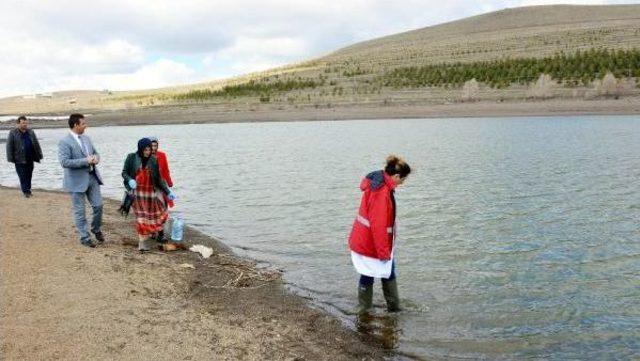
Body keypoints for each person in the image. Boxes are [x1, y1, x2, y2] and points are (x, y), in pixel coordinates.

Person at [348, 155, 411, 314]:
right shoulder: (381, 192)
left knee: (368, 273)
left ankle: (365, 311)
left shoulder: (378, 183)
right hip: (371, 242)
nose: (402, 183)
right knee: (386, 272)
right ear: (396, 176)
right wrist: (384, 252)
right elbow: (379, 225)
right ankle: (393, 309)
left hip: (365, 240)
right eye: (403, 180)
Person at [57, 113, 105, 248]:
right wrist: (86, 160)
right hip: (75, 181)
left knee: (99, 206)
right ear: (75, 125)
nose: (86, 126)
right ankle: (85, 237)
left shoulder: (87, 138)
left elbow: (96, 153)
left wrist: (96, 158)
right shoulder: (64, 142)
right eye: (83, 123)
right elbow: (64, 162)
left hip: (92, 177)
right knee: (80, 211)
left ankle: (96, 229)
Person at [122, 138, 176, 252]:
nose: (148, 152)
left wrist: (168, 192)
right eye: (146, 150)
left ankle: (156, 235)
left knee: (155, 215)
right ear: (140, 149)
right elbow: (124, 172)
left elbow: (158, 179)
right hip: (137, 193)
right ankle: (142, 244)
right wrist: (130, 180)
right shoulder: (131, 157)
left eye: (149, 149)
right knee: (142, 218)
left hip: (151, 194)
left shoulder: (153, 160)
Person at [5, 116, 43, 197]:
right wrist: (10, 158)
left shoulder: (31, 132)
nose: (25, 124)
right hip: (19, 159)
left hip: (30, 158)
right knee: (22, 175)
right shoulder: (13, 133)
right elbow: (9, 146)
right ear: (18, 124)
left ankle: (28, 190)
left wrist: (39, 154)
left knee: (29, 175)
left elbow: (36, 144)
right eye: (23, 123)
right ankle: (25, 191)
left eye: (26, 123)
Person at [149, 136, 174, 242]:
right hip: (150, 186)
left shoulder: (162, 155)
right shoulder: (145, 156)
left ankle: (160, 232)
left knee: (163, 208)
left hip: (161, 185)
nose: (154, 148)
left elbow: (166, 170)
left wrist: (169, 182)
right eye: (152, 146)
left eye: (155, 146)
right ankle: (153, 231)